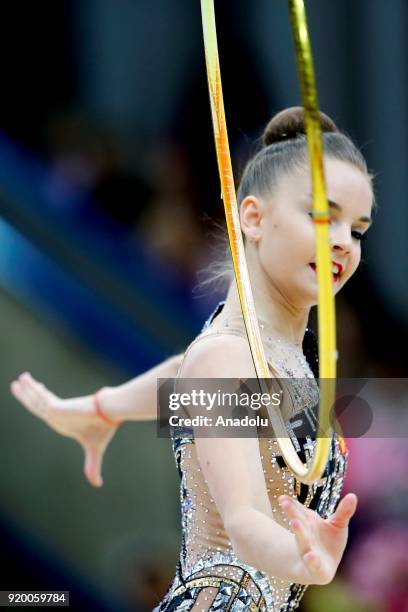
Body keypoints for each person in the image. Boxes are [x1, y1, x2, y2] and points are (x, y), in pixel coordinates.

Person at [10, 107, 374, 611]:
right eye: (320, 215)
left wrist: (101, 407)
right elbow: (244, 519)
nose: (342, 243)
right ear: (254, 217)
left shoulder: (270, 355)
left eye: (357, 229)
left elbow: (192, 377)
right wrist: (302, 559)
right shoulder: (229, 354)